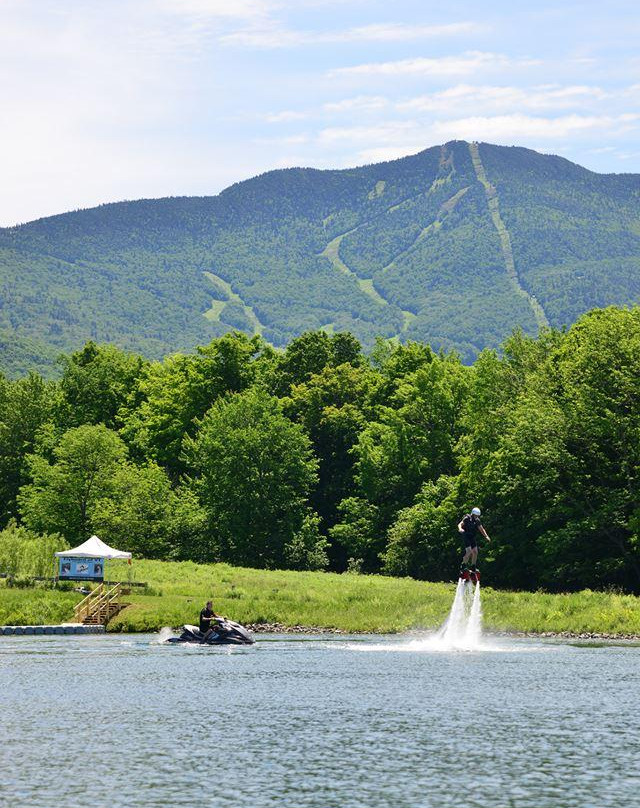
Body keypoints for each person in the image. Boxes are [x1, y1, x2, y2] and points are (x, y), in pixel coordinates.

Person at [458, 507, 491, 573]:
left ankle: (473, 567)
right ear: (472, 514)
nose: (476, 517)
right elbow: (460, 524)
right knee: (469, 551)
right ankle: (463, 566)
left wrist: (486, 536)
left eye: (478, 516)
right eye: (475, 516)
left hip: (472, 537)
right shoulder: (467, 518)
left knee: (475, 552)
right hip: (466, 535)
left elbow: (482, 529)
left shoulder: (477, 521)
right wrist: (460, 529)